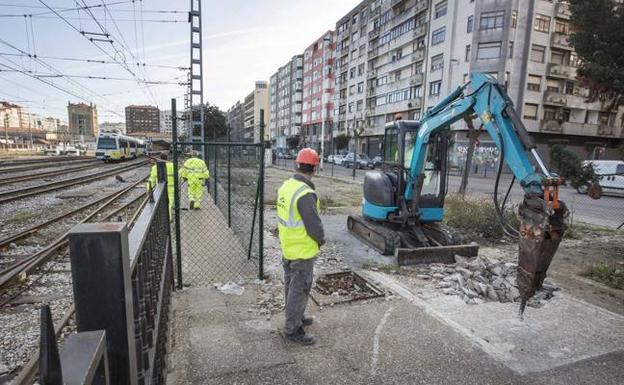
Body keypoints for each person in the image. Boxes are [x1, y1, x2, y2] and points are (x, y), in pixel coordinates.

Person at [277, 148, 325, 346]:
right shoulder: (305, 193)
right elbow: (314, 225)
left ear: (296, 164)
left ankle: (297, 315)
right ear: (315, 167)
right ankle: (293, 329)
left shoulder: (287, 186)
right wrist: (321, 239)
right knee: (300, 288)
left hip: (288, 246)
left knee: (291, 286)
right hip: (302, 250)